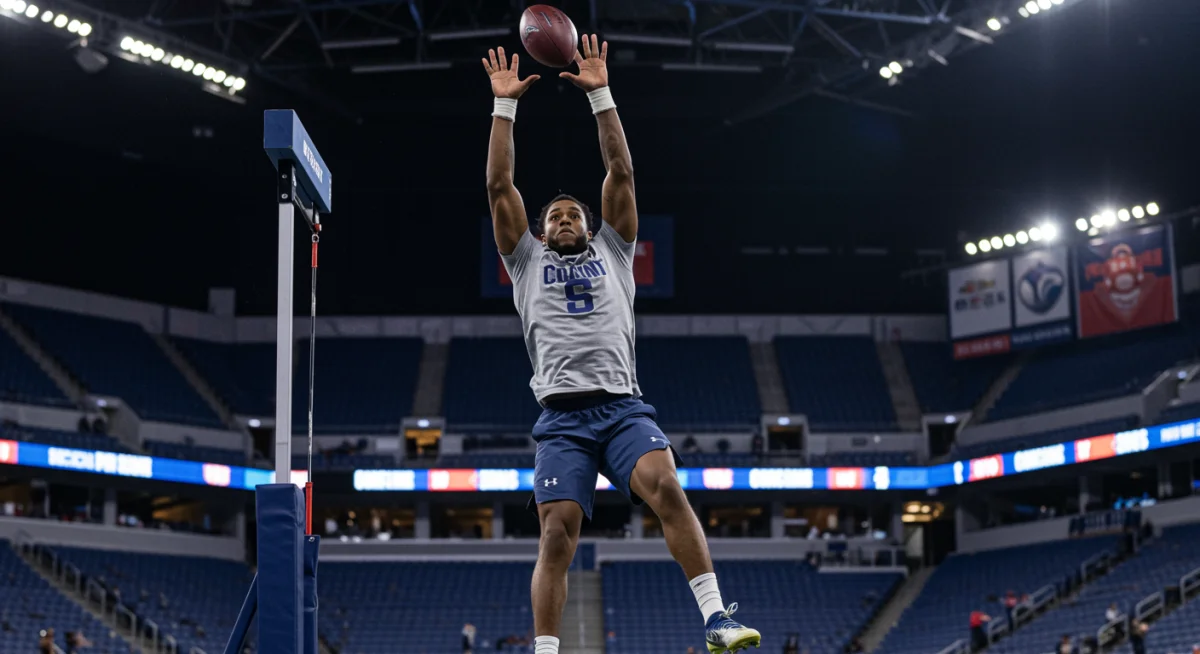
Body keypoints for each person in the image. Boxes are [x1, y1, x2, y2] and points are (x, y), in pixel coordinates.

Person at [481, 34, 761, 654]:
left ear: (590, 224)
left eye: (572, 214)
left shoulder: (615, 250)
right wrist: (506, 108)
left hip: (621, 407)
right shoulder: (524, 262)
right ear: (539, 230)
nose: (561, 219)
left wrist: (601, 93)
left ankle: (715, 618)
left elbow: (620, 171)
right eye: (552, 215)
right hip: (562, 418)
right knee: (557, 533)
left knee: (667, 486)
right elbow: (501, 188)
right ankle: (547, 650)